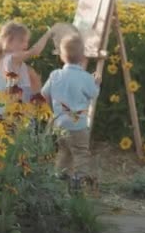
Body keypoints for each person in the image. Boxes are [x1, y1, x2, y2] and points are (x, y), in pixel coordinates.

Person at [41, 34, 101, 180]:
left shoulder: (55, 75)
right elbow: (93, 94)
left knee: (64, 151)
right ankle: (78, 181)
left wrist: (54, 110)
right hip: (77, 124)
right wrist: (96, 83)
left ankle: (60, 176)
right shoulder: (86, 77)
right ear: (82, 57)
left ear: (62, 56)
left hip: (59, 123)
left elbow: (44, 93)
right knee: (80, 152)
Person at [0, 21, 53, 102]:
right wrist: (48, 34)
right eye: (22, 41)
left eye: (27, 41)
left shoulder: (3, 60)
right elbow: (35, 51)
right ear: (8, 41)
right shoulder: (11, 58)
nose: (26, 45)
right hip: (17, 107)